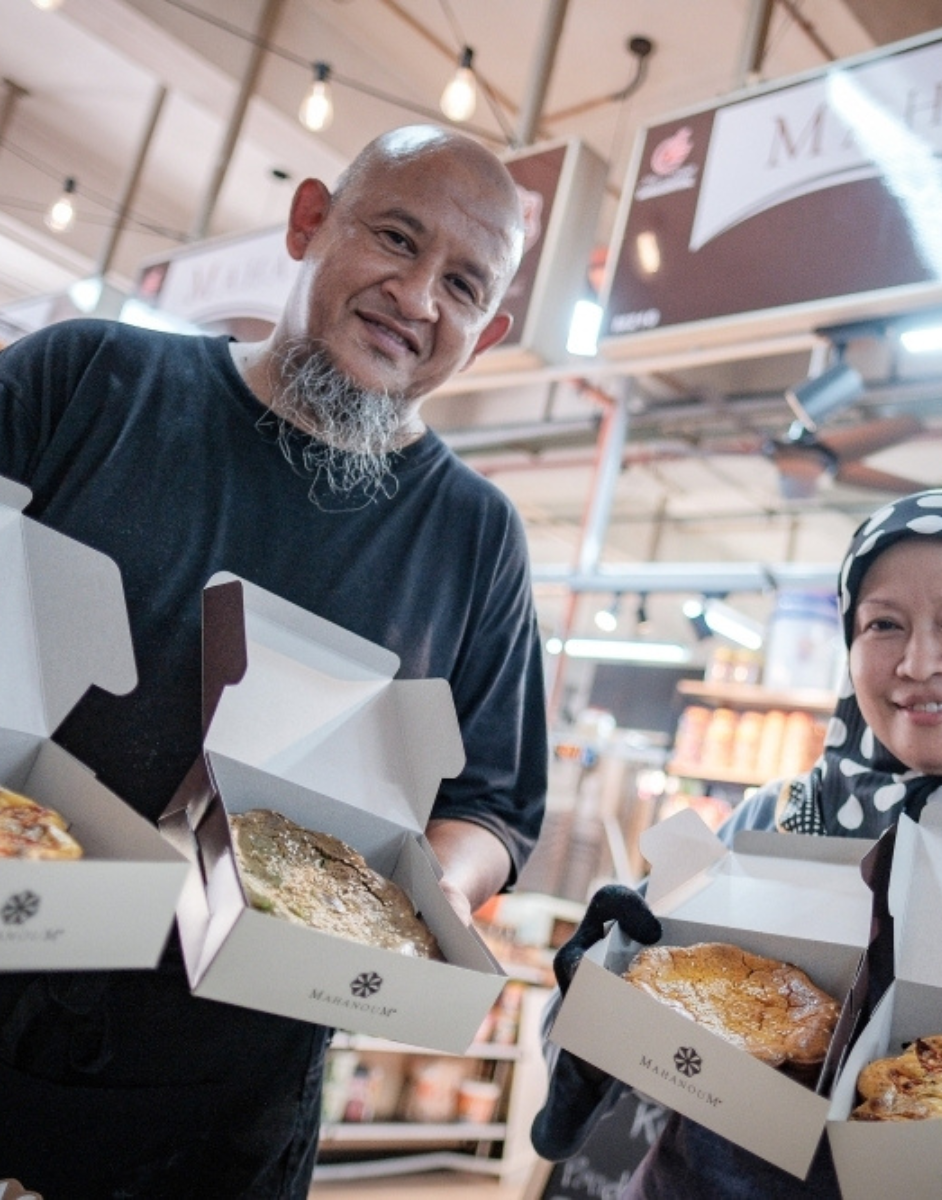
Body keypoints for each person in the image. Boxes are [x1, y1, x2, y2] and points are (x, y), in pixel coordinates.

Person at [0, 125, 547, 1198]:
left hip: (225, 1090)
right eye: (397, 237)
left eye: (465, 286)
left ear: (486, 337)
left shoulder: (477, 540)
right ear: (309, 223)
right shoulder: (90, 379)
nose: (418, 297)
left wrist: (419, 893)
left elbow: (495, 804)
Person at [532, 489, 942, 1200]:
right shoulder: (778, 817)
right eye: (883, 624)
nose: (917, 662)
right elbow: (614, 1060)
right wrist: (589, 1005)